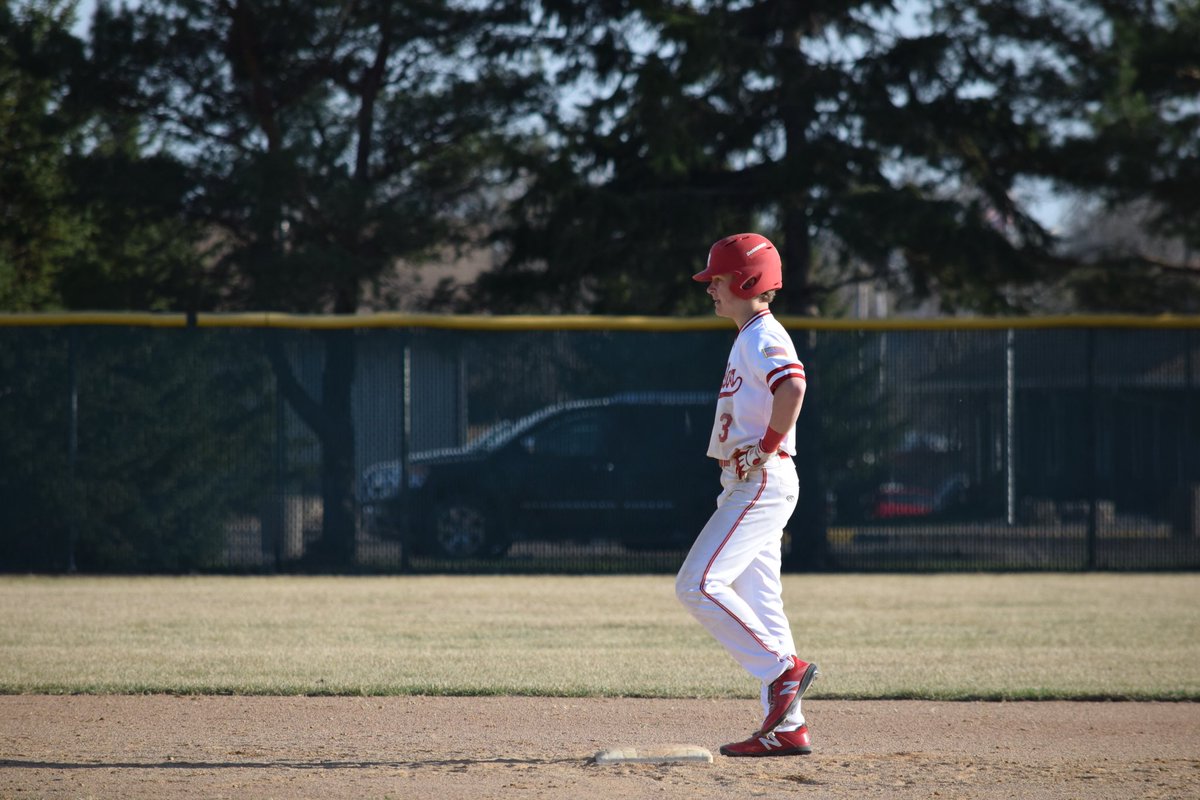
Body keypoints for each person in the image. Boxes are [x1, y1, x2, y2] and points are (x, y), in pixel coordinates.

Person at [675, 232, 818, 758]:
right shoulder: (749, 336)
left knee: (697, 584)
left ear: (746, 280)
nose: (710, 287)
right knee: (763, 604)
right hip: (753, 482)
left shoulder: (762, 336)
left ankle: (782, 672)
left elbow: (793, 386)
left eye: (717, 279)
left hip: (761, 481)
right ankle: (787, 728)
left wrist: (765, 446)